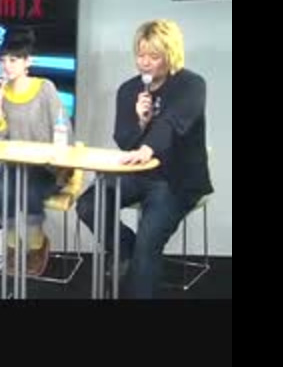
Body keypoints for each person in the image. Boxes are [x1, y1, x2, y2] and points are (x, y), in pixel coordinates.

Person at [75, 19, 212, 298]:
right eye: (140, 55)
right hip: (137, 173)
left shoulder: (191, 85)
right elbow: (124, 140)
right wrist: (140, 122)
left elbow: (172, 123)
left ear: (170, 55)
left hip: (176, 179)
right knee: (89, 205)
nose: (145, 63)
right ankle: (128, 251)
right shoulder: (129, 90)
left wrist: (148, 147)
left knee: (148, 243)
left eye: (154, 56)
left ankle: (139, 262)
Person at [0, 27, 74, 276]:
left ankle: (36, 244)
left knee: (27, 186)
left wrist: (60, 163)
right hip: (14, 167)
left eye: (13, 60)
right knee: (3, 186)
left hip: (46, 167)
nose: (7, 66)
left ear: (28, 62)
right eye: (4, 60)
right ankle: (13, 245)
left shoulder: (45, 89)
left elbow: (64, 131)